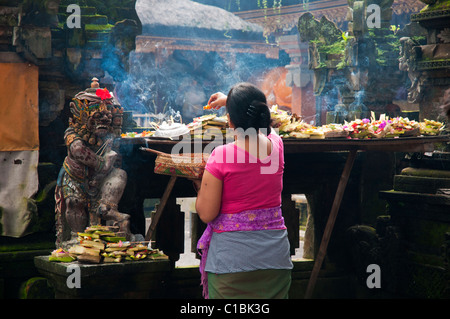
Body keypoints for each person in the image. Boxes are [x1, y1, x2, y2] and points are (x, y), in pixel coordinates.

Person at [192, 82, 293, 299]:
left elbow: (207, 213)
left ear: (229, 121)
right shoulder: (277, 146)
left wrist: (200, 185)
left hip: (232, 262)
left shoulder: (220, 156)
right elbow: (265, 118)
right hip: (275, 261)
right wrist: (233, 102)